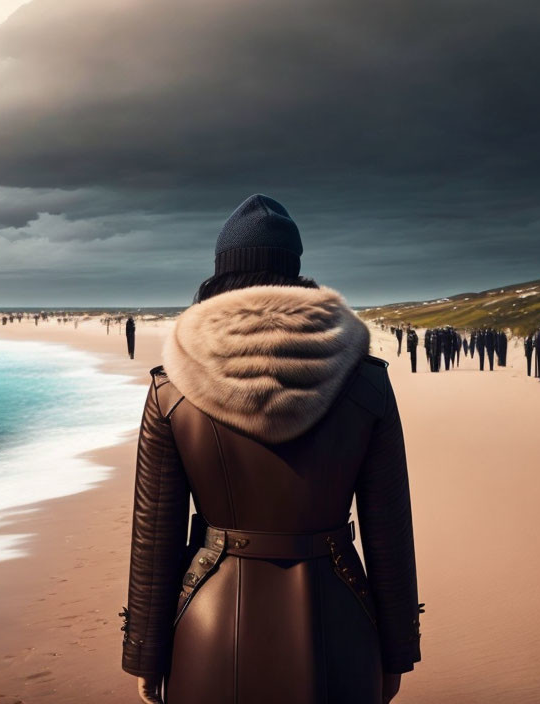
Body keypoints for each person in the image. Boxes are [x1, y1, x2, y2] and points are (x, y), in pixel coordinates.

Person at [121, 194, 422, 704]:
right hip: (343, 620)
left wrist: (144, 654)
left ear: (219, 275)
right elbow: (388, 530)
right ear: (298, 272)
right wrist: (397, 650)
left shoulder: (171, 389)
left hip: (207, 626)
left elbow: (156, 536)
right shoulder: (367, 384)